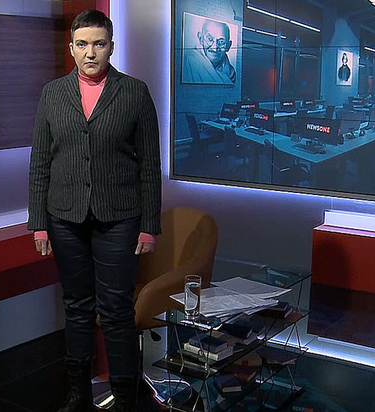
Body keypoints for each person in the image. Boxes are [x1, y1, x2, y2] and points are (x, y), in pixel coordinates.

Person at [28, 9, 161, 412]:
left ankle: (125, 398)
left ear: (111, 47)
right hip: (64, 216)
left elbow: (149, 165)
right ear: (71, 48)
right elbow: (40, 163)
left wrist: (149, 225)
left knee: (117, 309)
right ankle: (79, 394)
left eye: (99, 44)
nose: (90, 53)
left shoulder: (134, 92)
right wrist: (39, 224)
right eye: (82, 44)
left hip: (119, 216)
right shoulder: (52, 94)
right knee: (76, 306)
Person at [182, 18, 236, 84]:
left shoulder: (231, 72)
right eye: (210, 39)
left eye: (221, 42)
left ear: (228, 45)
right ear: (201, 39)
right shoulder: (189, 61)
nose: (214, 48)